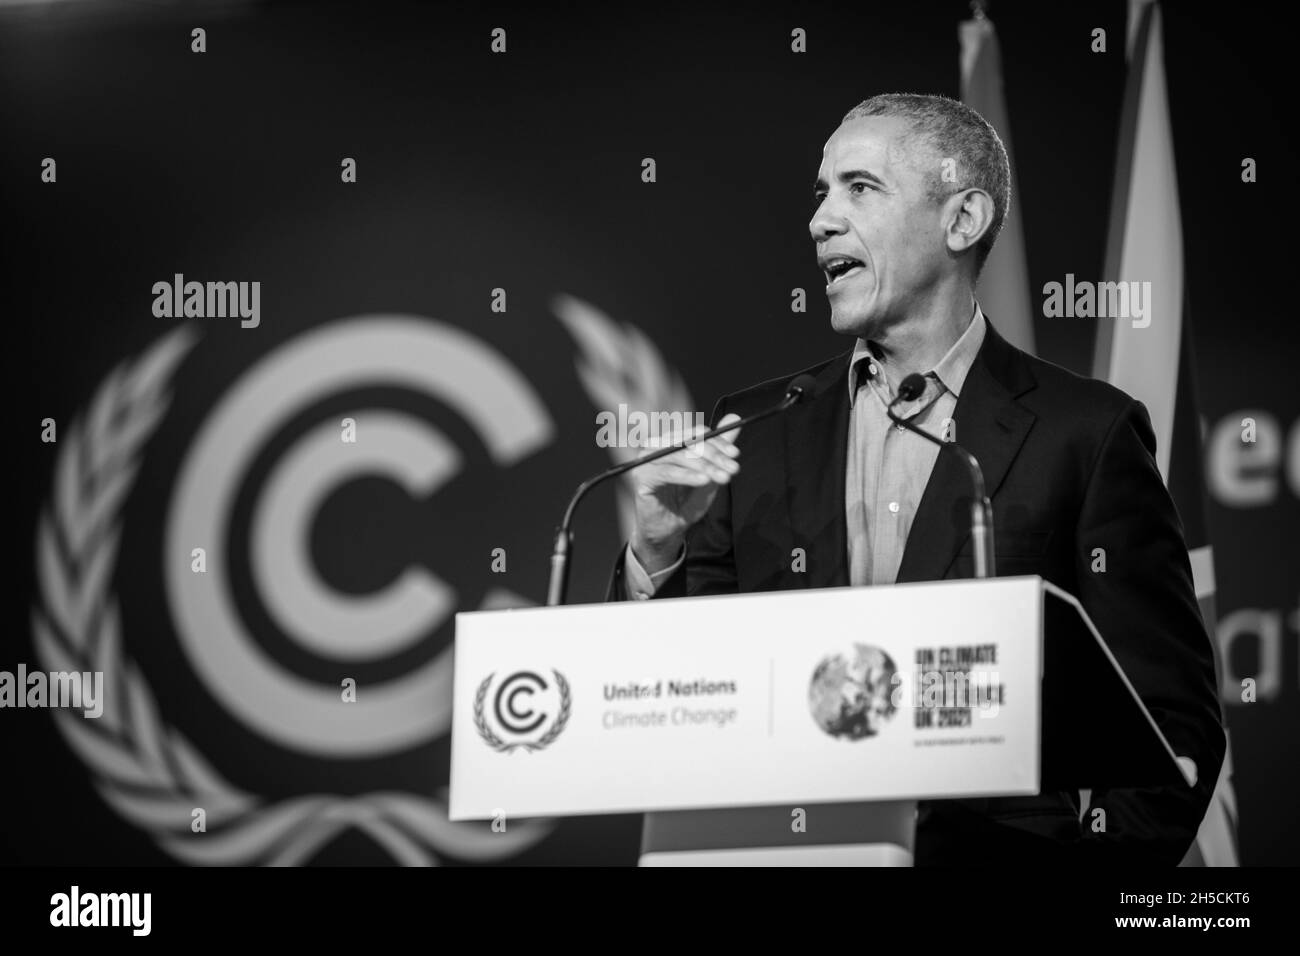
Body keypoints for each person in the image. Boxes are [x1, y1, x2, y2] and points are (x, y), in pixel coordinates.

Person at [607, 92, 1226, 865]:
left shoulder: (1086, 434)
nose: (821, 220)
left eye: (859, 188)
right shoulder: (757, 427)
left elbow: (1172, 723)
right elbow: (677, 699)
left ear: (961, 221)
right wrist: (658, 550)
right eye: (822, 192)